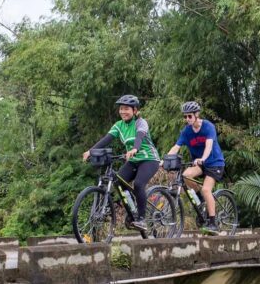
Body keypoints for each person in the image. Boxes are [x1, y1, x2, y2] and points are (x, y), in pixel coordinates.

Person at [82, 94, 160, 234]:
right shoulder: (118, 125)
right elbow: (106, 139)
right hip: (132, 160)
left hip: (149, 159)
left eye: (126, 109)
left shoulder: (141, 122)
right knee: (118, 181)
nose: (123, 111)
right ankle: (133, 207)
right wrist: (91, 151)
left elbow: (139, 137)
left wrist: (135, 148)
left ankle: (141, 218)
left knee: (139, 184)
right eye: (121, 109)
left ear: (135, 110)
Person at [167, 101, 225, 234]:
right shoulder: (186, 131)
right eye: (185, 117)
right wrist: (165, 159)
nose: (187, 119)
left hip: (214, 162)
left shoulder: (208, 127)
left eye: (189, 116)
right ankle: (200, 199)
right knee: (185, 175)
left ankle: (213, 223)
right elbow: (176, 147)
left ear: (196, 114)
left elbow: (209, 146)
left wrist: (203, 159)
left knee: (206, 189)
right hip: (199, 164)